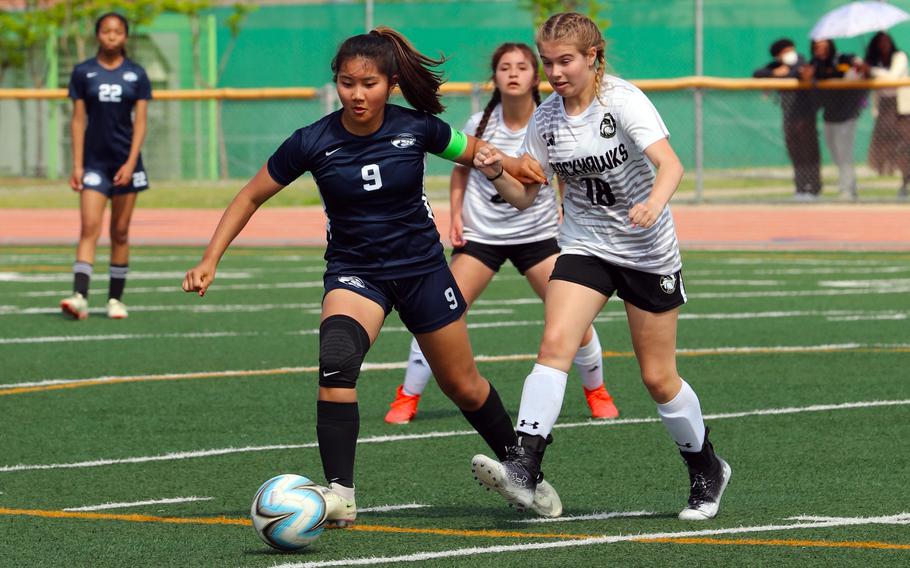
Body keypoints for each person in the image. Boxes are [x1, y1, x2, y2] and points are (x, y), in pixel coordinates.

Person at [182, 27, 563, 523]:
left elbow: (479, 154)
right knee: (336, 361)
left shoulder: (418, 128)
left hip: (424, 271)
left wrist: (517, 163)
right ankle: (341, 493)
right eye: (346, 83)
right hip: (356, 273)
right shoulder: (312, 141)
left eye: (369, 84)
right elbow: (251, 195)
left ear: (392, 84)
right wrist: (210, 258)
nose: (357, 95)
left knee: (463, 386)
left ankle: (523, 470)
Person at [470, 12, 731, 521]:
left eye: (566, 61)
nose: (555, 72)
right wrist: (497, 170)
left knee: (658, 378)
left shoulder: (624, 101)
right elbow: (525, 197)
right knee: (554, 344)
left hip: (646, 251)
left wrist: (655, 203)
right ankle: (524, 463)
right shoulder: (546, 119)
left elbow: (671, 164)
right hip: (585, 246)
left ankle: (707, 468)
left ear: (593, 57)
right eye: (548, 63)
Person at [384, 42, 619, 425]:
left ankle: (596, 390)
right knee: (438, 314)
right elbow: (460, 169)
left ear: (535, 76)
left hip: (538, 236)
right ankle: (407, 395)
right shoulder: (478, 124)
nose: (513, 73)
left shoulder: (550, 121)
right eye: (505, 67)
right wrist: (456, 216)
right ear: (494, 77)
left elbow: (565, 169)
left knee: (574, 319)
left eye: (522, 67)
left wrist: (564, 209)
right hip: (483, 237)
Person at [60, 12, 151, 320]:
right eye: (106, 31)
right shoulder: (83, 72)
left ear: (125, 36)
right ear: (97, 34)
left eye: (118, 31)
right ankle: (79, 296)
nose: (112, 36)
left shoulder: (136, 74)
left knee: (121, 232)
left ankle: (115, 299)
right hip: (94, 164)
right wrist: (77, 165)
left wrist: (130, 162)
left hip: (126, 163)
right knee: (89, 227)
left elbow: (140, 123)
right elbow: (77, 120)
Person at [753, 38, 821, 199]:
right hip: (789, 116)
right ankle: (800, 188)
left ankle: (814, 188)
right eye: (784, 52)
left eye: (791, 49)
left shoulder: (802, 62)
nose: (790, 54)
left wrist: (782, 75)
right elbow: (757, 73)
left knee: (809, 153)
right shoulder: (776, 66)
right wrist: (773, 74)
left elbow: (797, 72)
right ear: (778, 56)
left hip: (805, 115)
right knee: (795, 152)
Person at [808, 38, 867, 200]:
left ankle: (846, 189)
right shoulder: (815, 63)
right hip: (829, 115)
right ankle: (850, 185)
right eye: (816, 47)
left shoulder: (842, 59)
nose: (820, 50)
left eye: (823, 46)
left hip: (846, 115)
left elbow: (852, 67)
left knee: (844, 152)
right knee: (835, 152)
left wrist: (858, 64)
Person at [865, 31, 910, 198]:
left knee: (906, 146)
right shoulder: (873, 61)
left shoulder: (899, 56)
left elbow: (892, 76)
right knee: (889, 147)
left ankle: (905, 182)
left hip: (903, 108)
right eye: (880, 42)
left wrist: (872, 70)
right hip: (884, 108)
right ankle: (902, 184)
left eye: (886, 41)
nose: (884, 44)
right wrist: (862, 68)